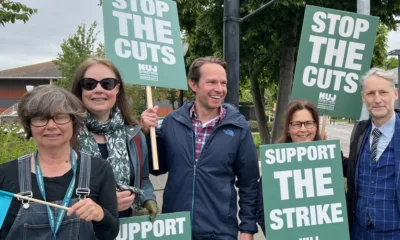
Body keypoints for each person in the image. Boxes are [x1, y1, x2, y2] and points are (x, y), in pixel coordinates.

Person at [141, 56, 260, 239]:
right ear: (193, 85)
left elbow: (249, 183)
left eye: (223, 83)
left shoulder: (238, 127)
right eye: (211, 82)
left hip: (220, 232)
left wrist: (247, 229)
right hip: (176, 228)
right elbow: (157, 168)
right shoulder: (173, 122)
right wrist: (147, 134)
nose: (219, 89)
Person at [0, 85, 119, 240]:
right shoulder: (5, 174)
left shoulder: (99, 169)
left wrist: (100, 214)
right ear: (29, 126)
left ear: (73, 122)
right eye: (40, 119)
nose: (51, 126)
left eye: (60, 117)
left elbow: (111, 233)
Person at [71, 57, 158, 219]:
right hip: (83, 229)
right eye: (90, 84)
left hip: (126, 228)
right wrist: (105, 203)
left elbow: (143, 180)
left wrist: (147, 199)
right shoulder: (66, 134)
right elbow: (55, 192)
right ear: (80, 90)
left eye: (107, 84)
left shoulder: (134, 135)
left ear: (117, 90)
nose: (98, 90)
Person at [343, 68, 400, 239]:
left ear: (395, 94)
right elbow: (353, 170)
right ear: (363, 97)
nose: (377, 99)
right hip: (358, 231)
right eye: (370, 93)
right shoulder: (359, 131)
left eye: (383, 92)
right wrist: (325, 150)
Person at [256, 99, 323, 235]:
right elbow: (262, 210)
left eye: (309, 123)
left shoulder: (329, 160)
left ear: (316, 127)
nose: (303, 129)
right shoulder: (275, 163)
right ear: (288, 129)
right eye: (297, 124)